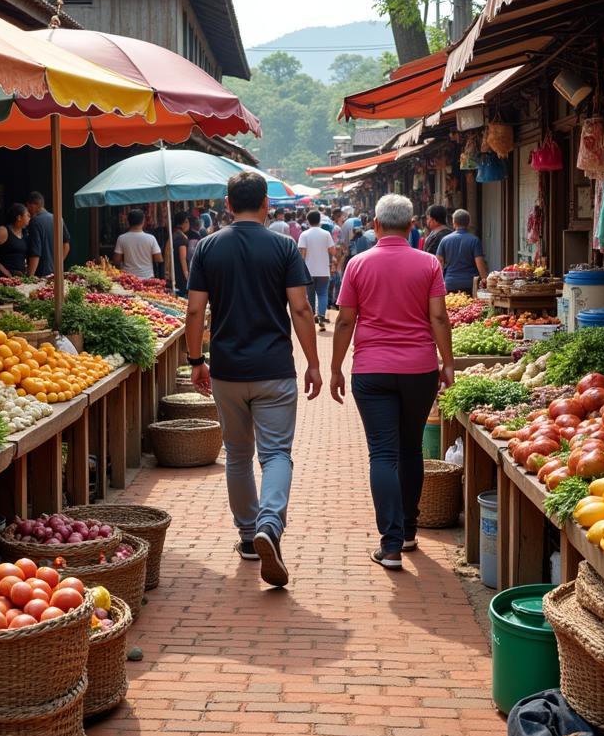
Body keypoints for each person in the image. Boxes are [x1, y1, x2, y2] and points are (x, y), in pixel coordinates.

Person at [185, 171, 322, 588]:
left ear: (228, 204)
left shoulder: (207, 247)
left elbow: (194, 312)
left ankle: (248, 537)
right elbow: (300, 309)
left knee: (238, 456)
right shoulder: (282, 246)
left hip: (227, 370)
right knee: (276, 454)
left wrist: (196, 360)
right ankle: (269, 525)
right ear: (265, 204)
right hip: (274, 370)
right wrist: (314, 362)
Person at [330, 194, 455, 569]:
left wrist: (335, 366)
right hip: (419, 369)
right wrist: (447, 363)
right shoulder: (429, 263)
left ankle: (390, 545)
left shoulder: (357, 264)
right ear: (412, 224)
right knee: (411, 448)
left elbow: (345, 321)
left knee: (383, 454)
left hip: (370, 371)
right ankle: (411, 531)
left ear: (377, 226)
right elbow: (439, 319)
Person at [297, 210, 335, 330]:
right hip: (323, 270)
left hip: (309, 271)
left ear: (308, 221)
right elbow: (332, 251)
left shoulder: (304, 235)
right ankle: (321, 316)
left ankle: (312, 316)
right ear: (319, 220)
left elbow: (302, 254)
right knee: (323, 293)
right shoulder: (326, 234)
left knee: (310, 294)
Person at [436, 209, 487, 294]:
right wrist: (485, 280)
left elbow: (439, 261)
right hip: (469, 284)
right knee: (470, 306)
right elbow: (480, 263)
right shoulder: (474, 240)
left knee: (452, 306)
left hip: (450, 283)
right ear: (469, 223)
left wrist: (439, 282)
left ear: (454, 223)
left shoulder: (445, 240)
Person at [25, 191, 70, 277]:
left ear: (35, 205)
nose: (27, 211)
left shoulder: (34, 222)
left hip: (40, 274)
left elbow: (35, 253)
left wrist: (29, 277)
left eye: (28, 206)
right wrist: (56, 265)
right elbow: (66, 246)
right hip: (55, 273)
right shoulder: (58, 219)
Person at [0, 203, 31, 279]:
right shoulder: (3, 231)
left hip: (19, 278)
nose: (29, 218)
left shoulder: (24, 233)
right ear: (19, 217)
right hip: (3, 277)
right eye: (27, 215)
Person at [113, 209, 163, 279]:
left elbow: (117, 260)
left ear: (128, 222)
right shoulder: (151, 238)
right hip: (147, 278)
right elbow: (159, 259)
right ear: (143, 221)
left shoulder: (121, 238)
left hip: (128, 278)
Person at [169, 212, 190, 296]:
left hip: (174, 270)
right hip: (180, 273)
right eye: (187, 222)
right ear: (184, 223)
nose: (188, 224)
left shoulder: (174, 235)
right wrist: (187, 276)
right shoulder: (181, 238)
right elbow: (183, 258)